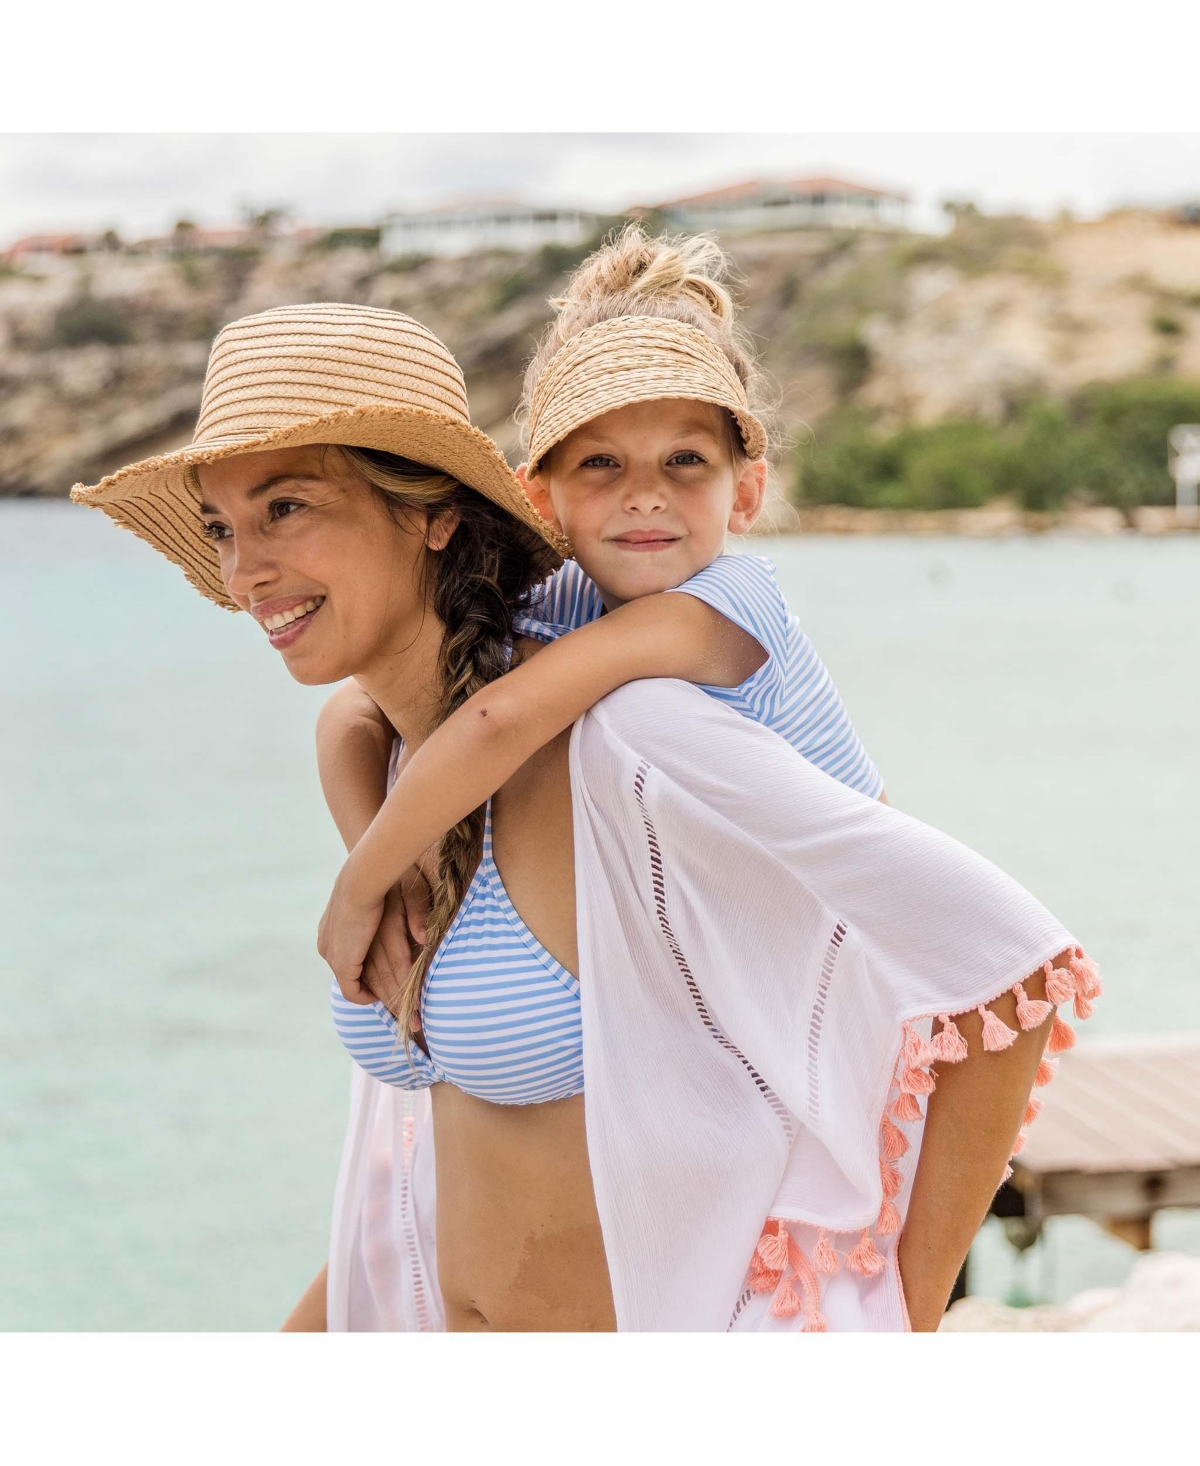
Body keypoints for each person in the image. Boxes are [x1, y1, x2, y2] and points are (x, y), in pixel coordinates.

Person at [72, 295, 1098, 1334]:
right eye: (222, 527)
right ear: (546, 494)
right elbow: (431, 1148)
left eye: (284, 509)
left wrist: (901, 1311)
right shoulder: (394, 748)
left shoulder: (634, 733)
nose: (241, 571)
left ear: (435, 512)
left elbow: (1009, 964)